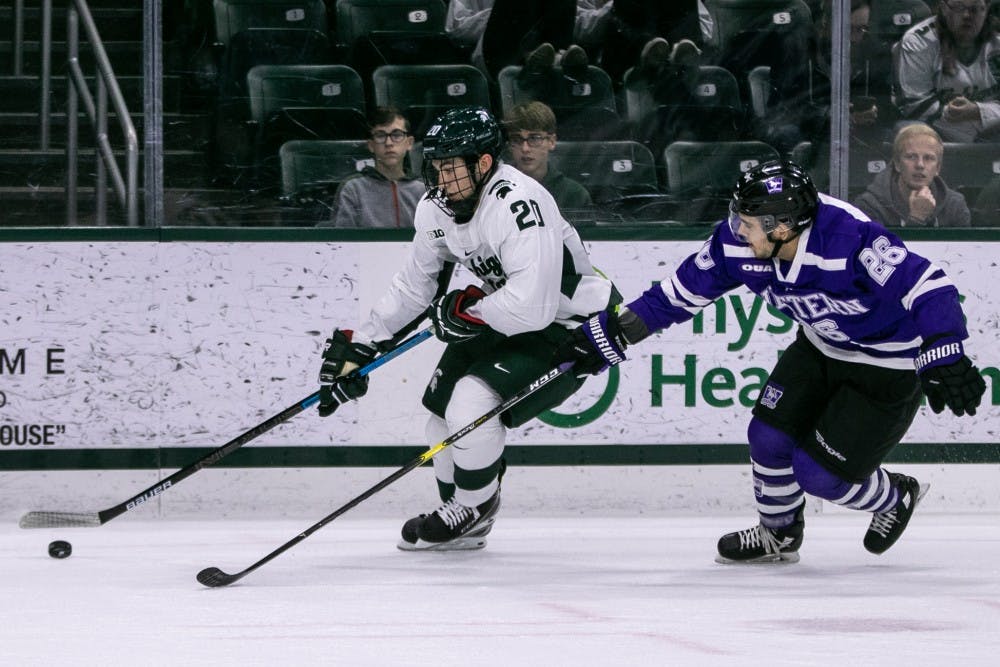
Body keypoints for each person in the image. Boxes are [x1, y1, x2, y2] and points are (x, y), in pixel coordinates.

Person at [559, 160, 986, 564]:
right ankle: (777, 534)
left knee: (818, 476)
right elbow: (675, 296)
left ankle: (895, 495)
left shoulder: (849, 239)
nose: (736, 231)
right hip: (821, 347)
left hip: (888, 366)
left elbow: (928, 285)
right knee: (767, 437)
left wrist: (944, 348)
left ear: (782, 227)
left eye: (747, 224)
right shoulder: (738, 245)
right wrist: (608, 333)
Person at [316, 106, 620, 550]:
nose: (439, 177)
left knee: (470, 404)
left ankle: (475, 508)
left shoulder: (520, 203)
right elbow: (415, 286)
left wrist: (467, 312)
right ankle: (459, 514)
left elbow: (533, 306)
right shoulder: (436, 208)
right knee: (440, 419)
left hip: (570, 321)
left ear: (482, 163)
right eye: (435, 165)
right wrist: (364, 345)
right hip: (505, 310)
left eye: (449, 166)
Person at [894, 0, 1000, 143]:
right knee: (911, 132)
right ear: (943, 8)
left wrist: (978, 111)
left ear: (986, 9)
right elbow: (914, 106)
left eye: (975, 8)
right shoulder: (918, 42)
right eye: (958, 7)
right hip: (938, 133)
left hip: (994, 131)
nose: (967, 15)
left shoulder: (997, 41)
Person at [322, 107, 425, 229]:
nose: (389, 143)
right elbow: (343, 243)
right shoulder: (354, 189)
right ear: (371, 145)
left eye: (396, 135)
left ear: (409, 143)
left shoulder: (423, 190)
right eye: (380, 136)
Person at [852, 122, 971, 227]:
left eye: (928, 158)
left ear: (938, 168)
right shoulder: (869, 206)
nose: (920, 165)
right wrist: (916, 219)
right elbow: (876, 251)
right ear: (897, 164)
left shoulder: (955, 206)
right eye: (911, 157)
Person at [502, 101, 592, 209]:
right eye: (516, 139)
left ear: (551, 142)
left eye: (534, 138)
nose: (525, 148)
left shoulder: (574, 195)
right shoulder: (496, 190)